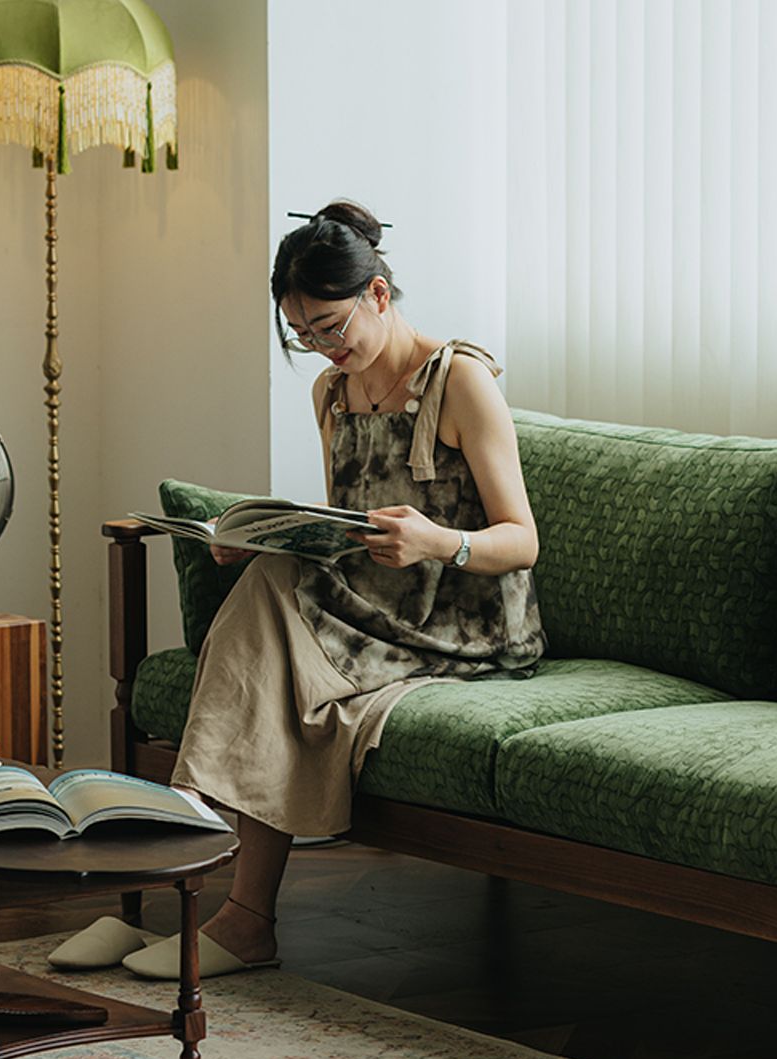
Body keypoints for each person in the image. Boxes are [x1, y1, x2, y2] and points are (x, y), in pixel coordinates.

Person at [52, 200, 546, 979]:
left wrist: (435, 541)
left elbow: (522, 542)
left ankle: (165, 892)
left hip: (461, 622)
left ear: (378, 295)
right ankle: (230, 915)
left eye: (331, 328)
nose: (321, 348)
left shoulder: (461, 383)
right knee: (269, 580)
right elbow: (344, 529)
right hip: (372, 609)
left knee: (268, 618)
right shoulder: (331, 394)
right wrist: (260, 539)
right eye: (303, 336)